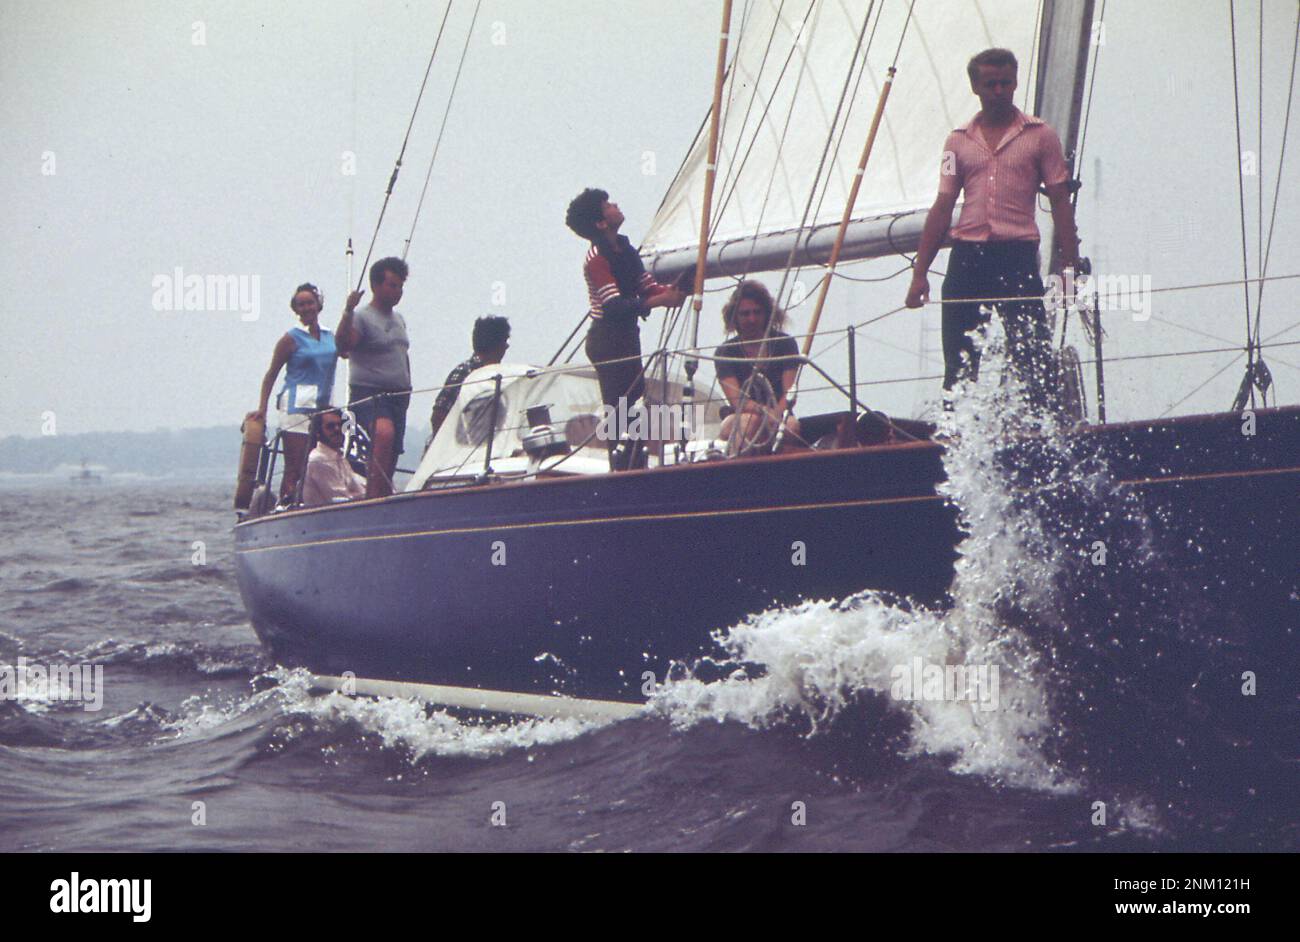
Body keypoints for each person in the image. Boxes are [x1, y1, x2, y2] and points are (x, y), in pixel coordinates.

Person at [904, 47, 1080, 411]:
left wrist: (1069, 263)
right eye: (991, 84)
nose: (999, 90)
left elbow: (1060, 199)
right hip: (968, 257)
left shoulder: (1040, 135)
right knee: (959, 363)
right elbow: (943, 205)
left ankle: (1042, 435)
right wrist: (919, 273)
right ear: (976, 87)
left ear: (1015, 83)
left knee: (1032, 359)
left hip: (1015, 256)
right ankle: (955, 441)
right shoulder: (957, 142)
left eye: (1006, 83)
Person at [565, 187, 686, 470]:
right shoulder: (597, 258)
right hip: (607, 339)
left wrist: (672, 290)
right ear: (600, 223)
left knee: (635, 399)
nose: (615, 204)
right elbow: (614, 306)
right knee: (620, 404)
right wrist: (660, 300)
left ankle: (635, 460)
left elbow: (644, 283)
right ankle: (622, 465)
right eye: (607, 205)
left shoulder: (624, 248)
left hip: (626, 336)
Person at [249, 283, 337, 503]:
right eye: (301, 304)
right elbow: (271, 375)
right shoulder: (291, 338)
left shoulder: (330, 335)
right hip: (296, 405)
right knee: (296, 463)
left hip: (322, 406)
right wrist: (263, 408)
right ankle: (287, 502)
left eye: (310, 303)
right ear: (296, 309)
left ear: (318, 305)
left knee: (321, 461)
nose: (306, 308)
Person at [335, 257, 411, 498]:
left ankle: (383, 496)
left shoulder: (400, 320)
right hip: (370, 393)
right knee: (383, 435)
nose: (397, 292)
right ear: (376, 286)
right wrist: (348, 310)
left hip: (399, 395)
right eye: (392, 285)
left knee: (392, 453)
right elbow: (344, 345)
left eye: (400, 286)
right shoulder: (362, 317)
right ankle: (372, 499)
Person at [713, 281, 804, 454]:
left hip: (779, 413)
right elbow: (738, 400)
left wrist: (776, 414)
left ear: (767, 314)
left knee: (791, 426)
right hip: (739, 416)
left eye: (757, 312)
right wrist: (766, 412)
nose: (752, 319)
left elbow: (789, 392)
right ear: (735, 317)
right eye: (745, 314)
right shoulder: (725, 352)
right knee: (748, 422)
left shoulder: (785, 344)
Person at [427, 315, 511, 446]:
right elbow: (439, 415)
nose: (506, 347)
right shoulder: (464, 373)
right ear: (496, 345)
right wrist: (446, 448)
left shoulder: (499, 376)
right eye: (504, 342)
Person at [301, 409, 366, 507]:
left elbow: (357, 485)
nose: (337, 429)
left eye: (340, 425)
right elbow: (340, 500)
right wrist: (360, 495)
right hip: (324, 519)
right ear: (318, 432)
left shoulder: (338, 457)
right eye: (330, 427)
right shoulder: (319, 460)